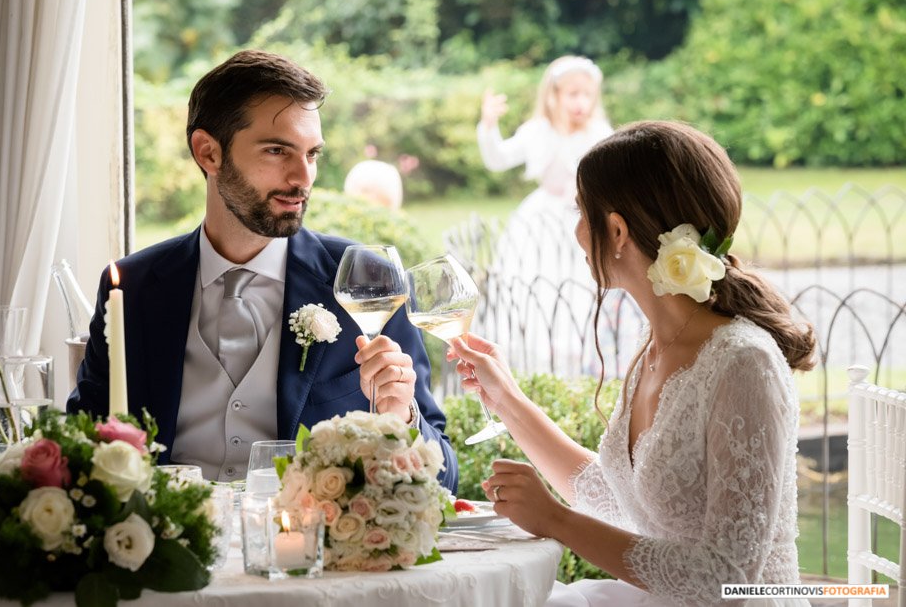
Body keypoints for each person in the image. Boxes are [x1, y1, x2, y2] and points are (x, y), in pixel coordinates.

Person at [450, 121, 816, 606]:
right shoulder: (657, 345)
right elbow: (622, 501)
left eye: (582, 212)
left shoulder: (744, 364)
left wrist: (556, 520)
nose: (577, 231)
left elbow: (728, 579)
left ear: (617, 230)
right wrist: (506, 400)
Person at [67, 50, 457, 491]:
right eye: (277, 151)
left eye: (312, 154)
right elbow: (83, 451)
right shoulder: (132, 288)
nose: (302, 177)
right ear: (208, 152)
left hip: (311, 552)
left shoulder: (365, 279)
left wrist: (402, 417)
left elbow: (445, 481)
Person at [475, 56, 630, 378]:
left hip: (583, 216)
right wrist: (489, 126)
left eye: (587, 95)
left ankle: (579, 349)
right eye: (573, 94)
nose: (580, 102)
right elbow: (498, 158)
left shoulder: (598, 132)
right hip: (541, 218)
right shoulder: (538, 131)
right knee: (537, 280)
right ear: (554, 96)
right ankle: (537, 351)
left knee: (577, 282)